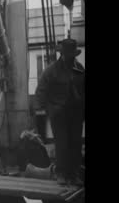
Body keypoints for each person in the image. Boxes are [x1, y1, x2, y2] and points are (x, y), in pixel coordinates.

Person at [36, 38, 85, 186]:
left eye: (72, 55)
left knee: (75, 144)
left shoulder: (79, 69)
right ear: (62, 54)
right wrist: (50, 110)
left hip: (76, 113)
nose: (71, 58)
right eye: (68, 54)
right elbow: (41, 92)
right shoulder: (51, 71)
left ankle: (74, 174)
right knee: (62, 143)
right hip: (59, 114)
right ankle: (61, 174)